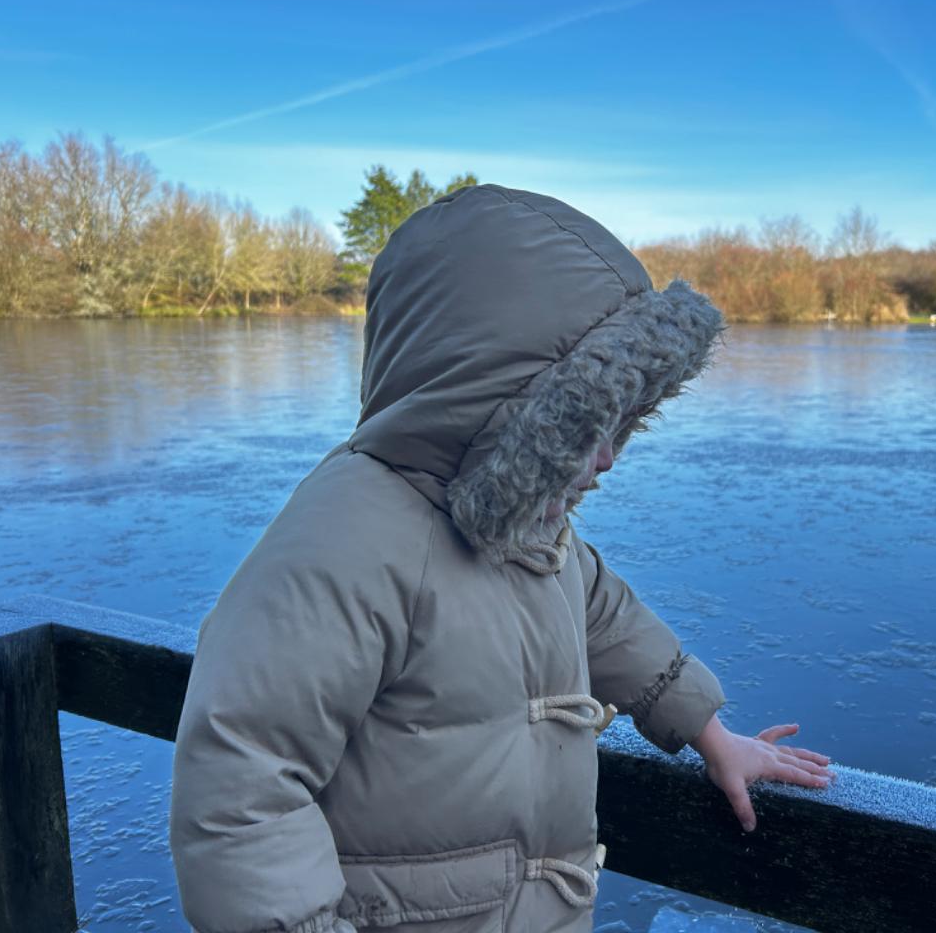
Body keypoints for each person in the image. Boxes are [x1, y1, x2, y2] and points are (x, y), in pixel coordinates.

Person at [169, 184, 834, 933]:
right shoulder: (345, 538)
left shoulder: (519, 513)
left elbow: (601, 611)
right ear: (490, 404)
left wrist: (711, 733)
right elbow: (240, 785)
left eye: (623, 421)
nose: (610, 458)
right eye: (580, 423)